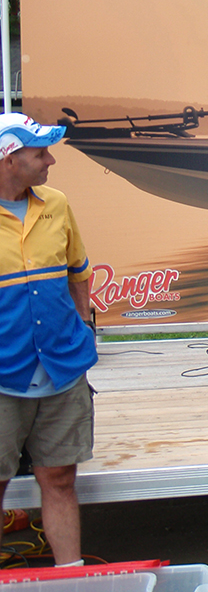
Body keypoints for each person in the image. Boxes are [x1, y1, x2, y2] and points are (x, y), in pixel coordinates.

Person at [0, 114, 96, 567]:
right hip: (3, 376)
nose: (50, 161)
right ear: (8, 159)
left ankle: (71, 576)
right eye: (40, 154)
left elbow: (78, 270)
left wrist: (82, 325)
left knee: (59, 478)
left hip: (61, 369)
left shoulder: (55, 203)